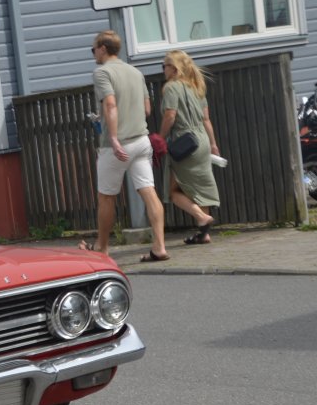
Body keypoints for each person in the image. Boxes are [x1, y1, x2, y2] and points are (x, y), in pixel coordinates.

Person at [79, 30, 169, 262]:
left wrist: (114, 136)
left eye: (93, 49)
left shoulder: (102, 72)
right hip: (142, 140)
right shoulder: (135, 72)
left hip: (116, 147)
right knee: (149, 192)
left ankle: (103, 248)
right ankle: (159, 246)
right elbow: (147, 109)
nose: (93, 54)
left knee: (107, 198)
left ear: (102, 48)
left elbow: (110, 104)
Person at [159, 49, 222, 245]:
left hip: (183, 141)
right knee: (200, 187)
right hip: (201, 140)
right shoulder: (197, 87)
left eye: (164, 66)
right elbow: (206, 119)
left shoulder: (171, 88)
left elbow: (170, 115)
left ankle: (201, 218)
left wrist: (160, 138)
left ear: (174, 68)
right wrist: (213, 144)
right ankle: (204, 234)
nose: (163, 70)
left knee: (173, 191)